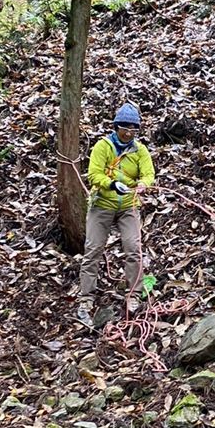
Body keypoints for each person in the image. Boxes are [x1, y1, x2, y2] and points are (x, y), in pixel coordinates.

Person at [77, 102, 155, 325]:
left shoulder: (140, 150)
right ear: (116, 127)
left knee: (133, 247)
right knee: (93, 248)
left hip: (128, 206)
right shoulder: (103, 147)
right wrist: (111, 184)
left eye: (133, 129)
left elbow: (149, 173)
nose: (129, 133)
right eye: (124, 128)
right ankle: (86, 297)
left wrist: (143, 184)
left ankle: (134, 294)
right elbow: (94, 174)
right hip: (102, 204)